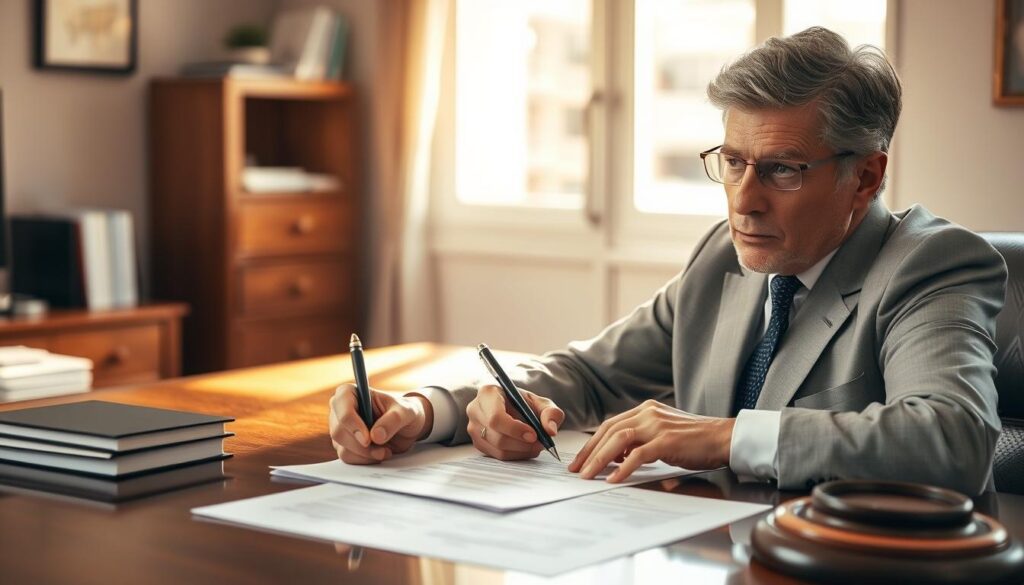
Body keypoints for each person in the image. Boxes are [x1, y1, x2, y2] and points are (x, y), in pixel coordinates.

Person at [328, 27, 1007, 495]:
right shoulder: (724, 258)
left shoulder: (930, 264)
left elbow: (953, 438)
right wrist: (422, 413)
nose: (744, 201)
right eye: (733, 162)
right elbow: (587, 375)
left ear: (865, 177)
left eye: (783, 170)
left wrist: (723, 436)